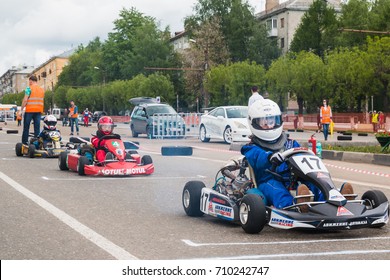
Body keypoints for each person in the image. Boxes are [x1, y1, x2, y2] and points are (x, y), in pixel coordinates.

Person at [241, 99, 354, 212]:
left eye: (271, 121)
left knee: (313, 183)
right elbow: (257, 157)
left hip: (292, 178)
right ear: (254, 123)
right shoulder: (252, 147)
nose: (269, 125)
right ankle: (295, 206)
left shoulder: (290, 143)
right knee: (277, 190)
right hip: (268, 180)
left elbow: (300, 155)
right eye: (264, 123)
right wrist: (270, 157)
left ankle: (332, 201)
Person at [18, 75, 45, 145]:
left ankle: (25, 142)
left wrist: (21, 110)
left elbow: (25, 100)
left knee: (26, 127)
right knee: (37, 128)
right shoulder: (41, 89)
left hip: (29, 110)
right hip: (38, 111)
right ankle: (37, 142)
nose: (29, 83)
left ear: (31, 81)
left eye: (29, 81)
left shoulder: (28, 89)